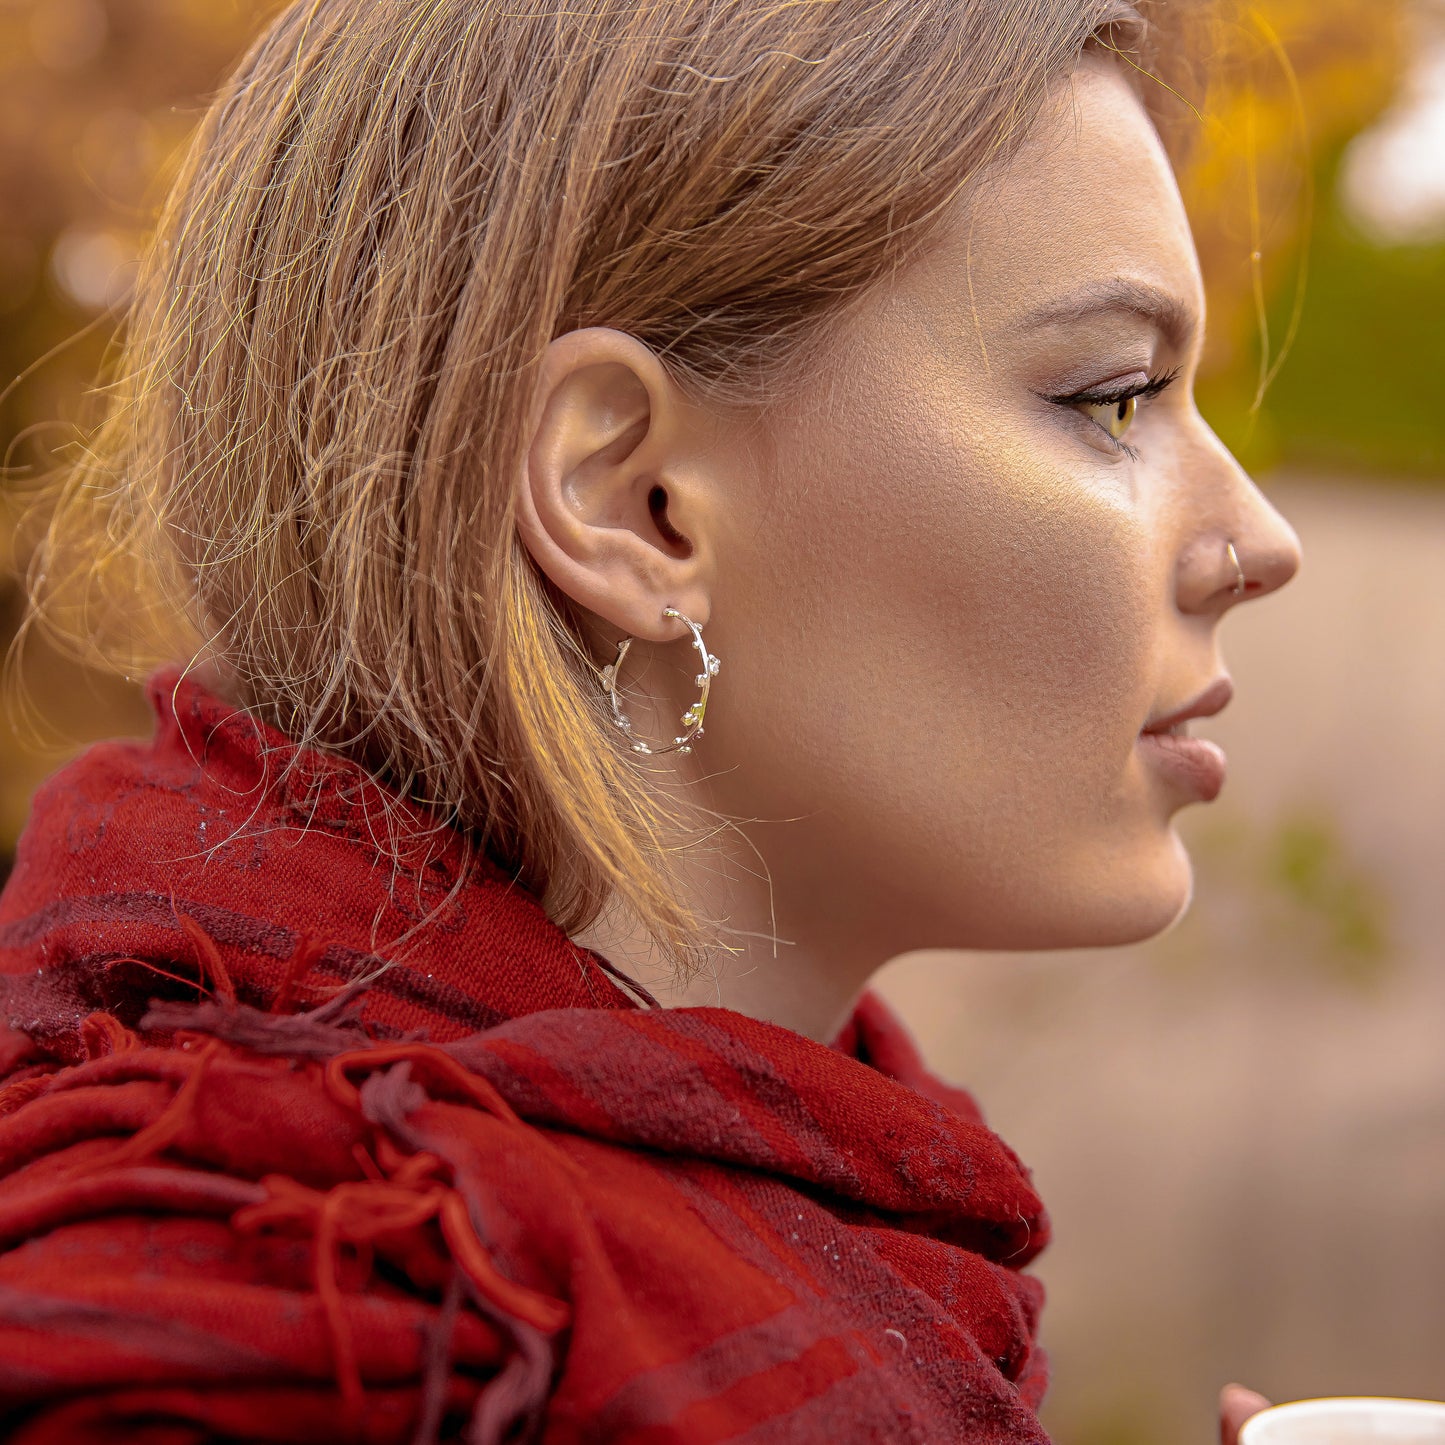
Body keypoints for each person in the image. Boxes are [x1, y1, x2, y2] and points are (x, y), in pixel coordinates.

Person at [0, 0, 1301, 1439]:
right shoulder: (288, 1329)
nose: (1255, 535)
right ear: (633, 501)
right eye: (1113, 397)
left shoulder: (824, 1232)